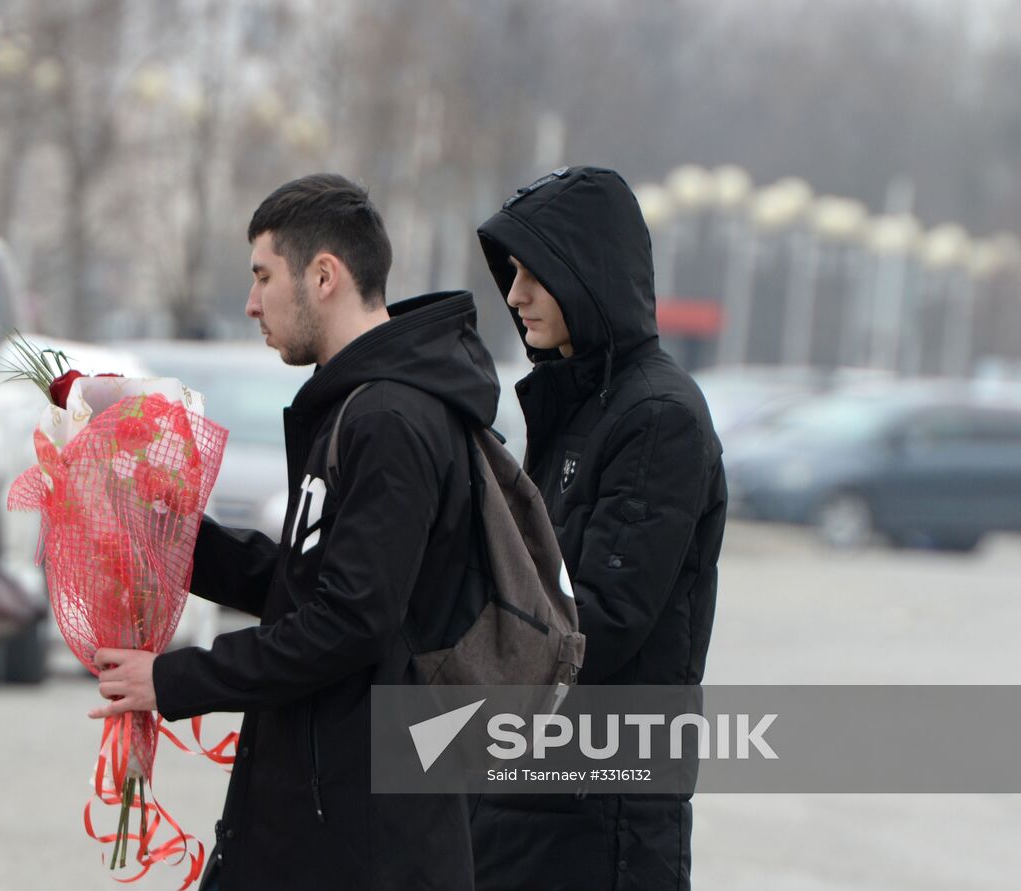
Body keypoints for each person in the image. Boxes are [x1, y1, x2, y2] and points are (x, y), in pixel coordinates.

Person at [90, 174, 500, 890]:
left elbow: (351, 621)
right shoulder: (357, 406)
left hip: (364, 836)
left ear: (324, 275)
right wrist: (165, 533)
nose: (250, 303)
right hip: (318, 815)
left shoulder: (392, 420)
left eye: (262, 275)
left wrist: (176, 676)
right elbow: (303, 584)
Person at [470, 166, 727, 890]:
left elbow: (601, 621)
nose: (514, 293)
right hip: (532, 797)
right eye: (511, 272)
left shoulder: (657, 416)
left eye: (534, 272)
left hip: (601, 815)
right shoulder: (581, 401)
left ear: (588, 272)